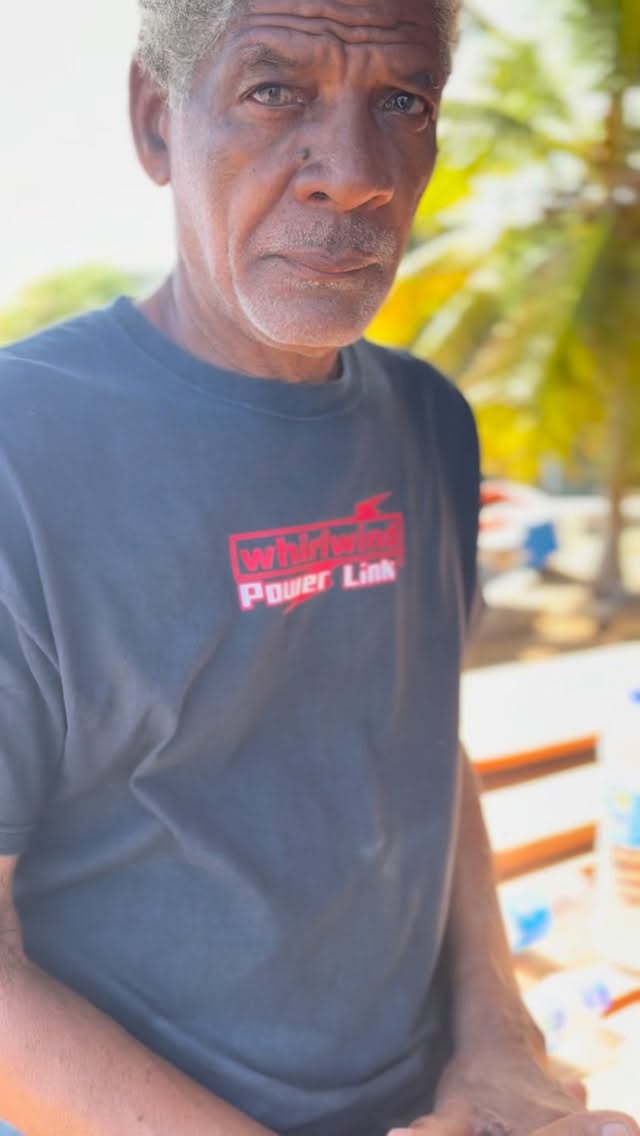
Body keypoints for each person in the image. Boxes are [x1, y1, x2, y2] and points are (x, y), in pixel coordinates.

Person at [0, 2, 637, 1135]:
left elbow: (419, 752)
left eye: (402, 101)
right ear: (156, 122)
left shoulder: (429, 421)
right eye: (274, 89)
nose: (353, 176)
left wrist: (499, 1045)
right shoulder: (19, 450)